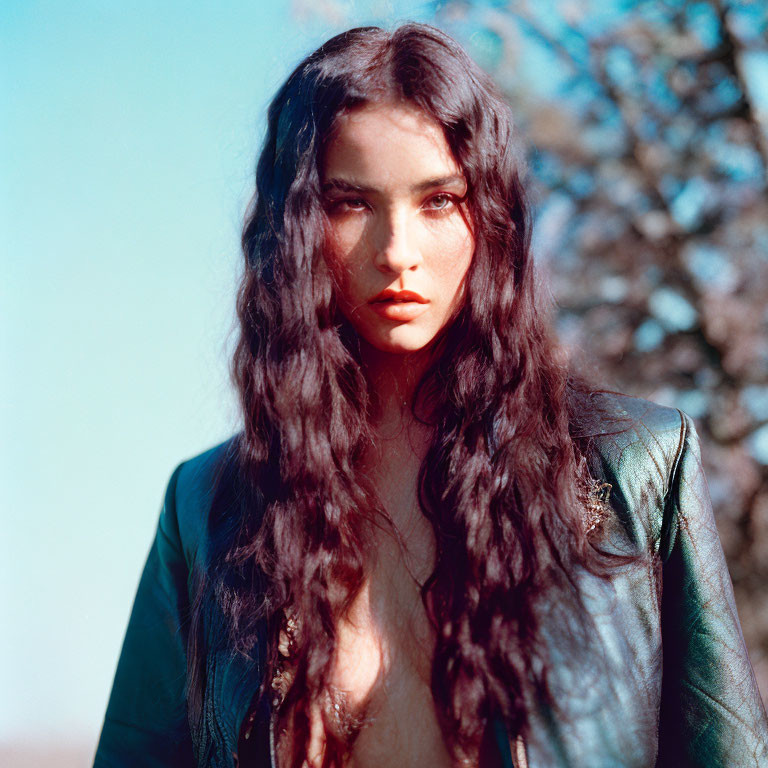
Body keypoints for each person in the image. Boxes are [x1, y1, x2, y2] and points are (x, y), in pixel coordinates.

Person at [93, 23, 768, 768]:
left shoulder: (636, 468)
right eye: (351, 203)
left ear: (493, 218)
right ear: (294, 230)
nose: (397, 253)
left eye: (439, 201)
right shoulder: (208, 507)